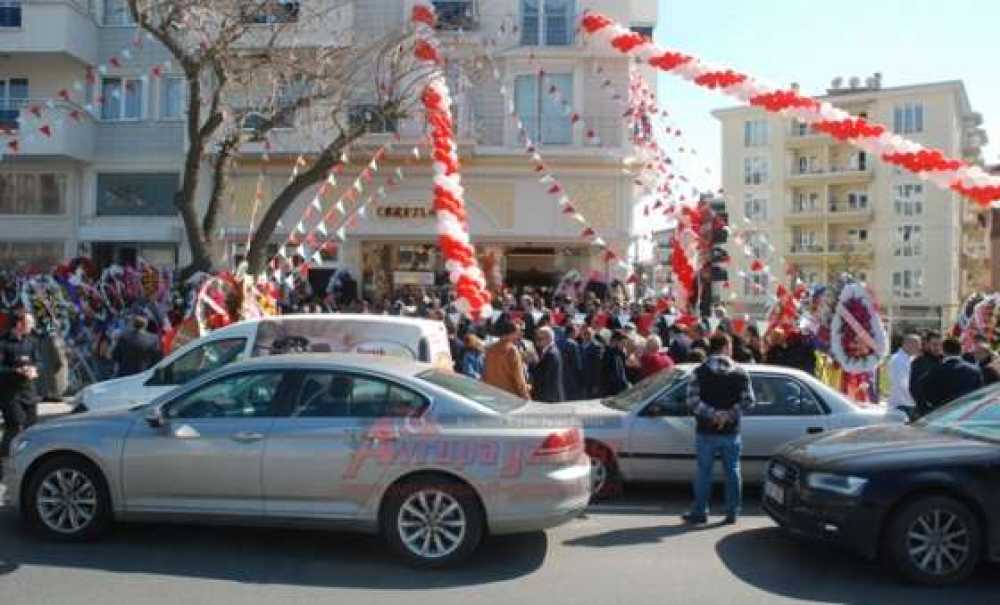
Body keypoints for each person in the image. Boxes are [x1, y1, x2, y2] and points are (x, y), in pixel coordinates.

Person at [683, 333, 756, 525]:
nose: (732, 349)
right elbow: (749, 402)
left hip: (706, 430)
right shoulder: (741, 372)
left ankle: (700, 512)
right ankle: (732, 512)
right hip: (731, 431)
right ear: (724, 347)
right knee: (732, 471)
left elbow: (692, 401)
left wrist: (713, 414)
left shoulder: (698, 372)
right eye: (730, 345)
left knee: (703, 472)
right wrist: (728, 415)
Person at [0, 312, 41, 460]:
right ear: (19, 324)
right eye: (30, 323)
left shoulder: (32, 341)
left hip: (28, 391)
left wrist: (34, 369)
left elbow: (38, 362)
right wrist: (16, 371)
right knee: (15, 427)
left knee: (32, 428)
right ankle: (3, 460)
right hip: (10, 394)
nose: (33, 326)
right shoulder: (3, 343)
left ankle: (30, 459)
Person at [920, 337, 983, 413]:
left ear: (943, 351)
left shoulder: (935, 370)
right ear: (961, 350)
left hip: (942, 413)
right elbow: (979, 394)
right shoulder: (975, 370)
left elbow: (923, 389)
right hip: (967, 413)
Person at [483, 321, 531, 399]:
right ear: (511, 334)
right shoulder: (512, 351)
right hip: (508, 396)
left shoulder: (490, 349)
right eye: (517, 333)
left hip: (491, 393)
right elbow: (519, 379)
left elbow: (485, 373)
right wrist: (527, 397)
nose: (519, 336)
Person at [909, 331, 943, 414]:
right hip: (927, 412)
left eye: (940, 345)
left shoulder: (943, 360)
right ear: (927, 344)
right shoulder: (919, 363)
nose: (938, 348)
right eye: (934, 344)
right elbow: (915, 389)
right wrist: (925, 409)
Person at [530, 327, 565, 403]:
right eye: (536, 338)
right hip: (549, 396)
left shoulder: (551, 354)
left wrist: (532, 363)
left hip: (549, 398)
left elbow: (543, 376)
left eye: (539, 338)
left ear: (548, 338)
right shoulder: (549, 350)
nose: (537, 341)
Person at [888, 334, 921, 410]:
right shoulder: (898, 360)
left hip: (905, 403)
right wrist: (914, 400)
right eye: (916, 345)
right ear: (907, 344)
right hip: (901, 404)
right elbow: (902, 384)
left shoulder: (907, 359)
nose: (919, 348)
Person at [558, 323, 584, 400]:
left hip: (560, 374)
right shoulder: (573, 344)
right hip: (571, 376)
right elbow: (578, 364)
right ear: (572, 332)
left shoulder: (558, 342)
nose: (577, 333)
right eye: (576, 331)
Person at [580, 326, 606, 398]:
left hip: (591, 380)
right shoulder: (581, 345)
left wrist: (596, 384)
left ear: (592, 334)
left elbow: (597, 367)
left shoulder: (596, 347)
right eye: (584, 333)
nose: (586, 335)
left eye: (588, 333)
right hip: (582, 379)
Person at [602, 332, 631, 397]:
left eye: (626, 344)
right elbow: (614, 373)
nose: (624, 346)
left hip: (620, 387)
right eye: (623, 343)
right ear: (617, 342)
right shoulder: (609, 353)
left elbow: (623, 372)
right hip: (611, 389)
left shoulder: (621, 354)